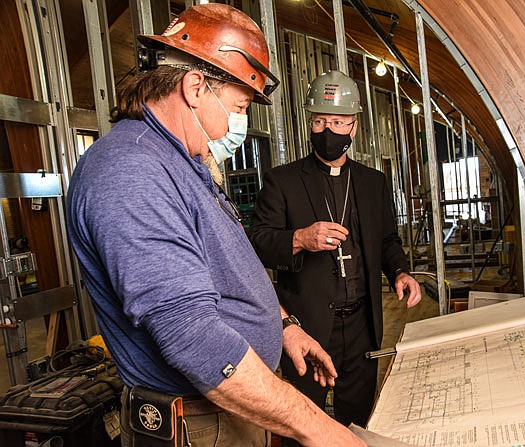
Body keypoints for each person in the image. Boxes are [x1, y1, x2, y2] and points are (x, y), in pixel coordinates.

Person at [65, 5, 366, 447]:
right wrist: (325, 431)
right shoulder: (130, 172)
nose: (237, 123)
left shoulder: (184, 164)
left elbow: (225, 273)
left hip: (231, 410)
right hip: (199, 423)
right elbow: (192, 336)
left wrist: (284, 328)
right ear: (194, 86)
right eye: (239, 106)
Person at [249, 70, 422, 432]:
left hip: (362, 322)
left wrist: (401, 272)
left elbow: (387, 239)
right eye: (321, 120)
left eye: (339, 121)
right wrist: (299, 238)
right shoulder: (282, 181)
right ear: (310, 124)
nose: (329, 130)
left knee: (357, 419)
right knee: (302, 421)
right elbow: (257, 241)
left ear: (354, 127)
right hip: (306, 324)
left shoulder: (373, 183)